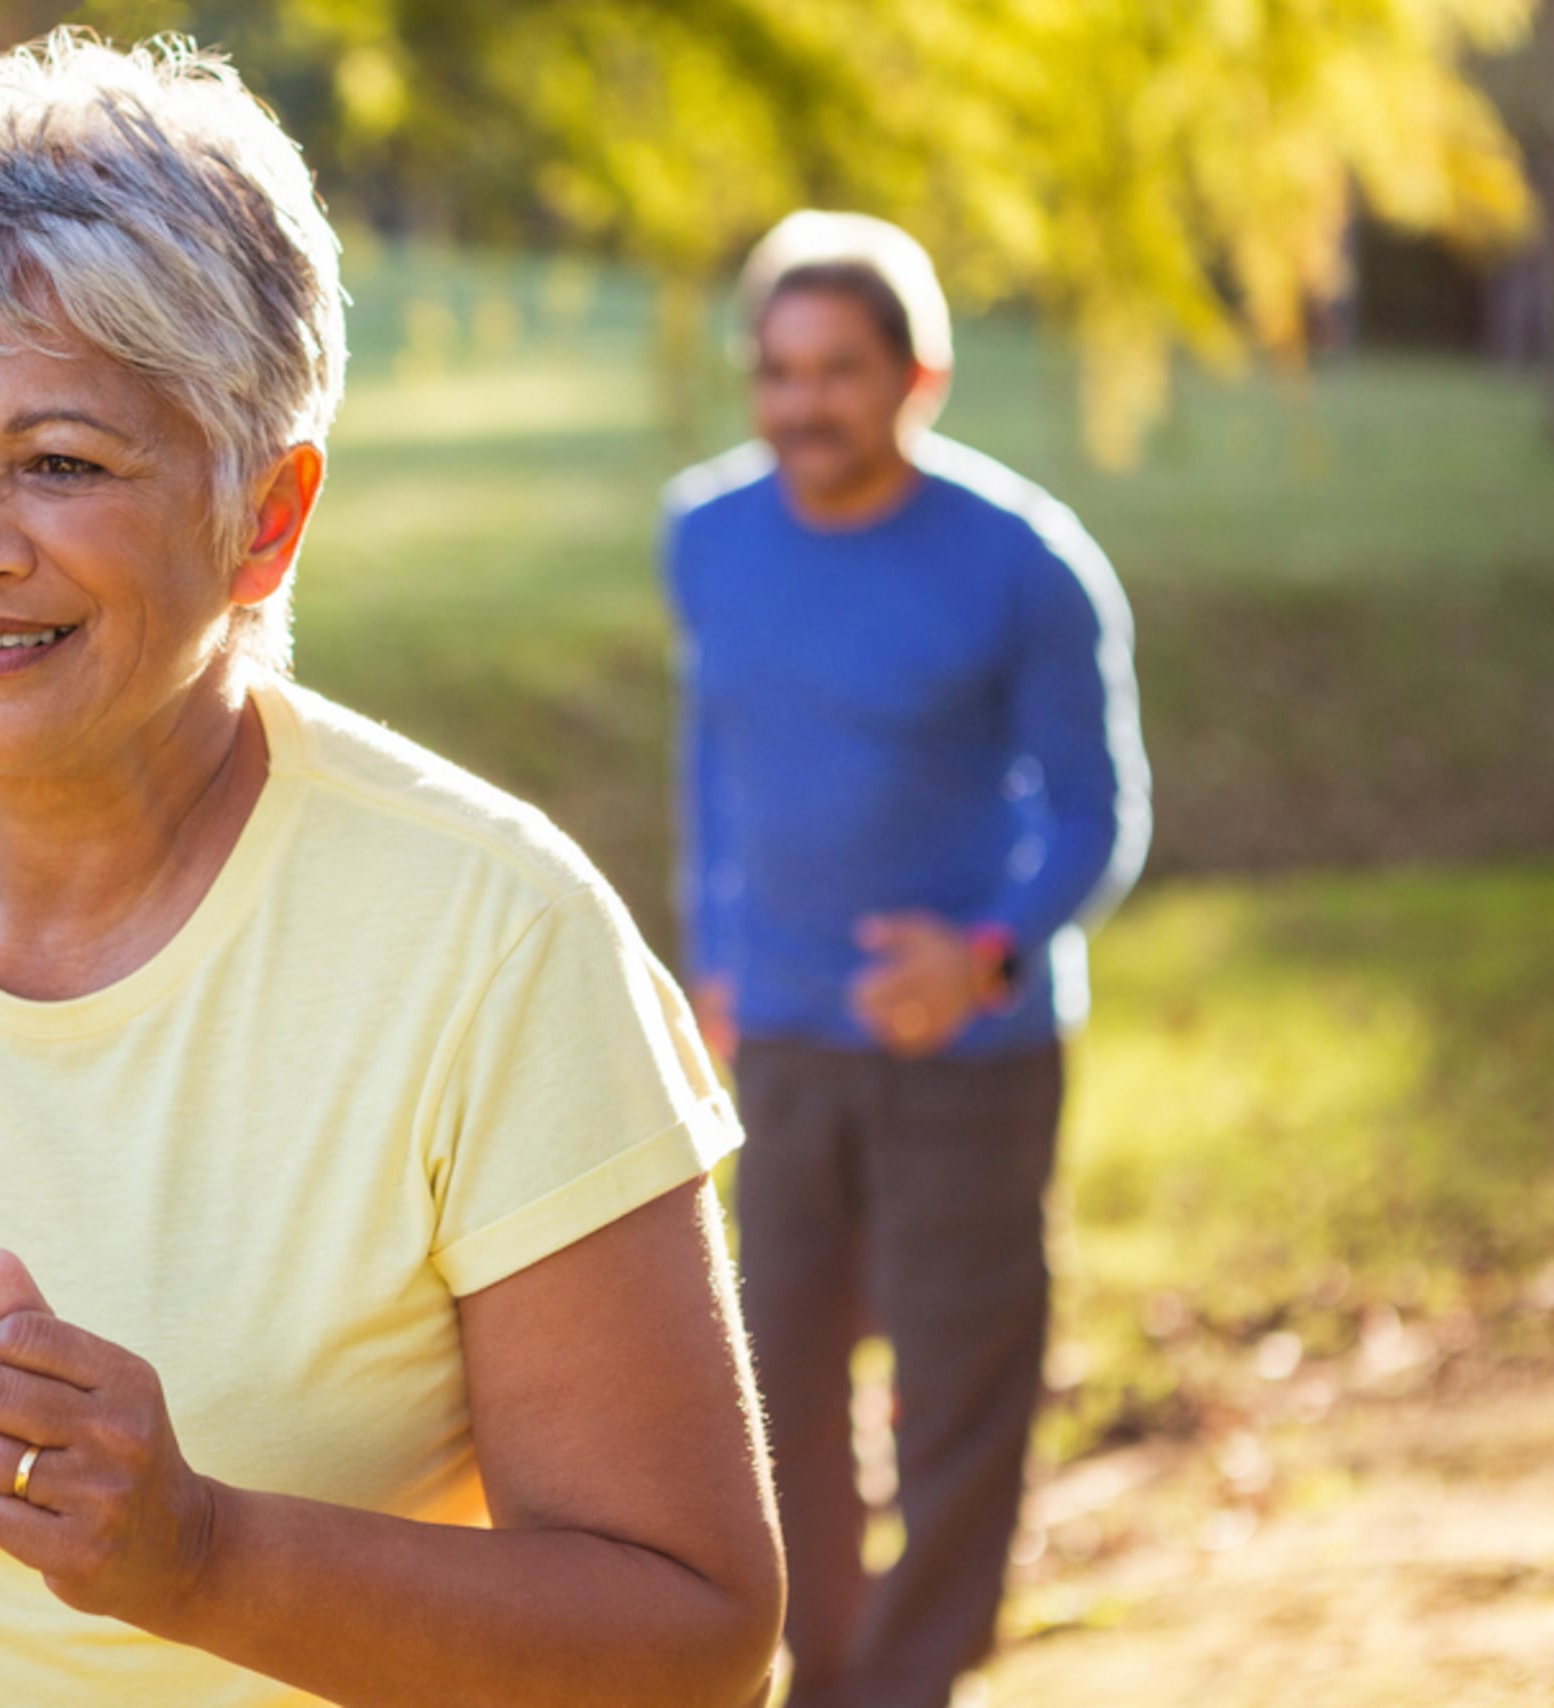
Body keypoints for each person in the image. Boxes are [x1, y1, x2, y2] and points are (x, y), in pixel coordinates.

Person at [0, 32, 784, 1707]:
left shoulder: (493, 946)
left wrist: (206, 1558)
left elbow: (696, 1633)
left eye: (62, 461)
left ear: (265, 518)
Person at [659, 211, 1151, 1708]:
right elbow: (715, 757)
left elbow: (1100, 814)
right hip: (788, 1041)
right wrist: (713, 954)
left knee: (957, 1398)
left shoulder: (1028, 565)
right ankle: (818, 1671)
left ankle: (912, 1682)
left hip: (972, 1060)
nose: (804, 403)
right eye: (778, 370)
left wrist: (986, 958)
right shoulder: (704, 530)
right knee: (777, 1390)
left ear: (918, 375)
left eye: (839, 371)